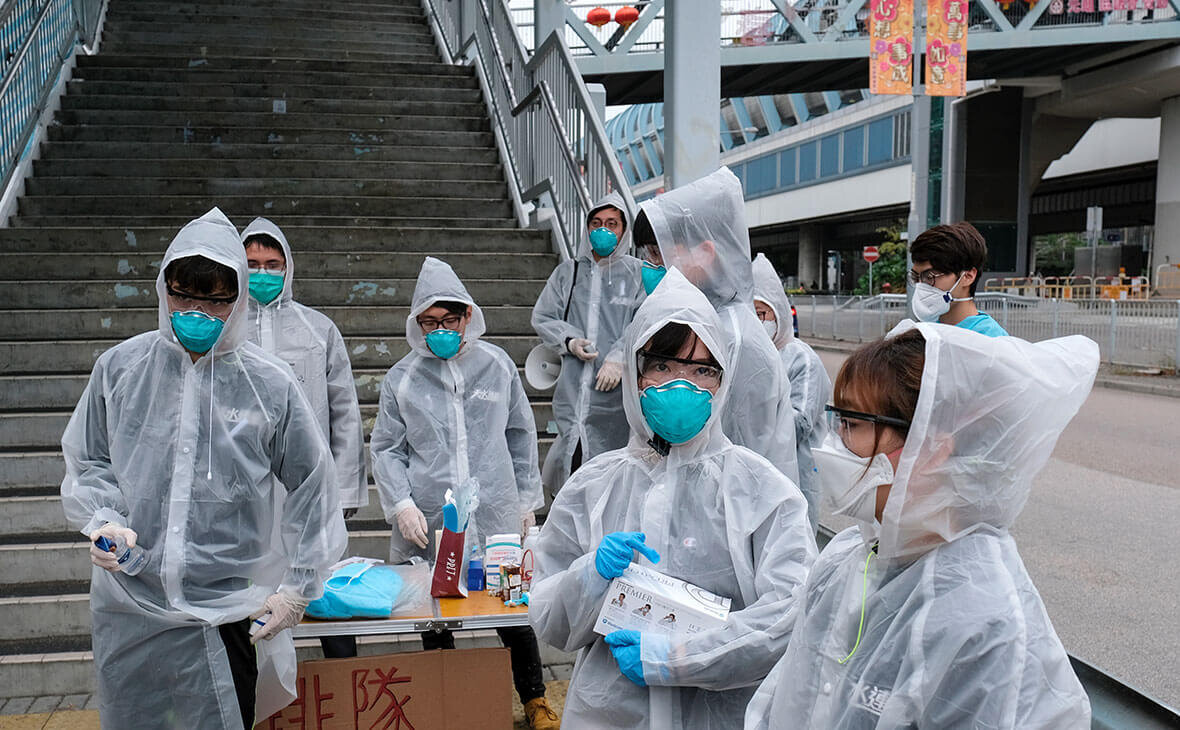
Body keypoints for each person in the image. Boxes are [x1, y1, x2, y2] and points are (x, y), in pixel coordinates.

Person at [61, 208, 348, 730]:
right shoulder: (122, 369)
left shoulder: (269, 383)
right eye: (183, 297)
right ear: (163, 290)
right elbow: (90, 457)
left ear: (237, 300)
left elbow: (313, 484)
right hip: (131, 601)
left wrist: (299, 586)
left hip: (227, 609)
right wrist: (105, 519)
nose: (197, 313)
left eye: (215, 301)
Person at [745, 322, 1096, 729]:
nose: (833, 443)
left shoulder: (984, 620)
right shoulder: (847, 557)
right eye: (837, 421)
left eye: (852, 424)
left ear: (931, 446)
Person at [529, 267, 817, 729]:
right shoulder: (593, 487)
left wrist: (676, 657)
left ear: (722, 381)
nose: (682, 384)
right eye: (662, 366)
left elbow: (790, 615)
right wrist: (590, 576)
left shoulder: (762, 490)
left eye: (702, 370)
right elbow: (550, 621)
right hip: (610, 716)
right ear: (635, 373)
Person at [369, 256, 558, 729]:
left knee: (510, 610)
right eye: (429, 322)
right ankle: (447, 704)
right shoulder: (402, 379)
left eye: (448, 320)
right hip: (433, 518)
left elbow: (520, 434)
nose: (440, 331)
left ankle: (534, 699)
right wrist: (401, 504)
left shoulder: (496, 366)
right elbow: (388, 448)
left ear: (467, 315)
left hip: (495, 513)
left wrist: (525, 502)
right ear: (416, 323)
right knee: (436, 616)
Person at [240, 217, 367, 659]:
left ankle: (342, 681)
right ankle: (259, 684)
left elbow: (344, 412)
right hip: (247, 491)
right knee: (251, 598)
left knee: (322, 587)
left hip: (310, 487)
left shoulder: (318, 330)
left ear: (288, 267)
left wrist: (343, 488)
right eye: (252, 264)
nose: (262, 273)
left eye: (272, 264)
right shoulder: (225, 331)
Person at [634, 167, 800, 483]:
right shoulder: (695, 321)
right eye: (647, 255)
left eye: (658, 254)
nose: (650, 267)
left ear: (705, 253)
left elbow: (739, 455)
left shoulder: (733, 336)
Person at [531, 192, 645, 499]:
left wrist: (620, 356)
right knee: (571, 464)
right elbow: (543, 316)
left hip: (615, 397)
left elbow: (644, 321)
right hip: (573, 390)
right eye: (596, 223)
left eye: (612, 223)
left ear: (624, 230)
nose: (603, 230)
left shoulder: (637, 274)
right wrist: (569, 340)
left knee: (612, 478)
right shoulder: (568, 272)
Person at [751, 253, 831, 531]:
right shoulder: (745, 356)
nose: (756, 322)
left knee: (793, 539)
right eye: (750, 314)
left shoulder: (801, 359)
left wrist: (754, 421)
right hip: (752, 474)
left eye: (761, 314)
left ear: (779, 313)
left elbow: (799, 424)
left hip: (795, 474)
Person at [909, 221, 1009, 336]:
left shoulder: (991, 338)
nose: (920, 286)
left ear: (968, 276)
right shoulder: (927, 331)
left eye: (929, 277)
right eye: (915, 277)